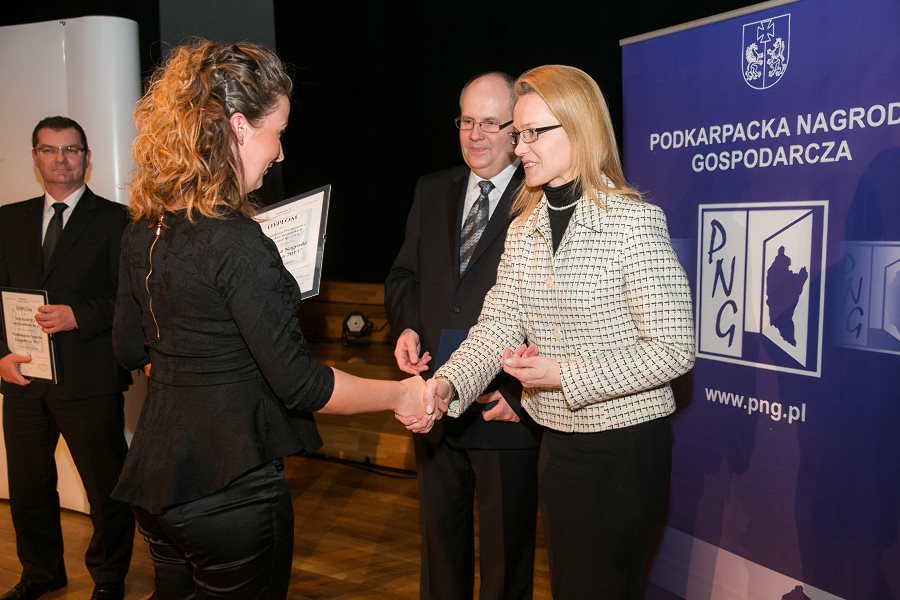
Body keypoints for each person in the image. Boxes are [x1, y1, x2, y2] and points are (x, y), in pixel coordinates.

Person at [111, 40, 433, 599]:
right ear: (239, 127)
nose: (281, 153)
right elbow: (302, 385)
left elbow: (128, 348)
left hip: (155, 485)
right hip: (228, 492)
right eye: (277, 132)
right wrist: (402, 394)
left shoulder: (144, 228)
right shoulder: (237, 243)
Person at [424, 65, 696, 599]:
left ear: (578, 128)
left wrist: (561, 375)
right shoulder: (523, 228)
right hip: (556, 441)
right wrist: (446, 384)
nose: (519, 147)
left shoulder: (632, 221)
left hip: (623, 448)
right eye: (518, 134)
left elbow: (673, 350)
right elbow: (496, 326)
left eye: (533, 133)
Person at [385, 72, 541, 600]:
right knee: (440, 553)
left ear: (517, 130)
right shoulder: (432, 190)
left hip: (503, 406)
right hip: (435, 401)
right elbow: (403, 275)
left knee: (506, 561)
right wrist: (407, 325)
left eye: (490, 123)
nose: (475, 134)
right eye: (466, 121)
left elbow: (560, 309)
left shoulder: (541, 196)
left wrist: (522, 393)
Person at [0, 117, 134, 600]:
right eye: (49, 149)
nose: (61, 159)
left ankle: (109, 578)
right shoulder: (8, 219)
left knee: (106, 488)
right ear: (35, 157)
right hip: (22, 378)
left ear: (87, 157)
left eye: (71, 149)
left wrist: (79, 315)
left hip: (89, 378)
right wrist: (1, 355)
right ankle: (41, 573)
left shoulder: (119, 220)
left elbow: (131, 298)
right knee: (29, 487)